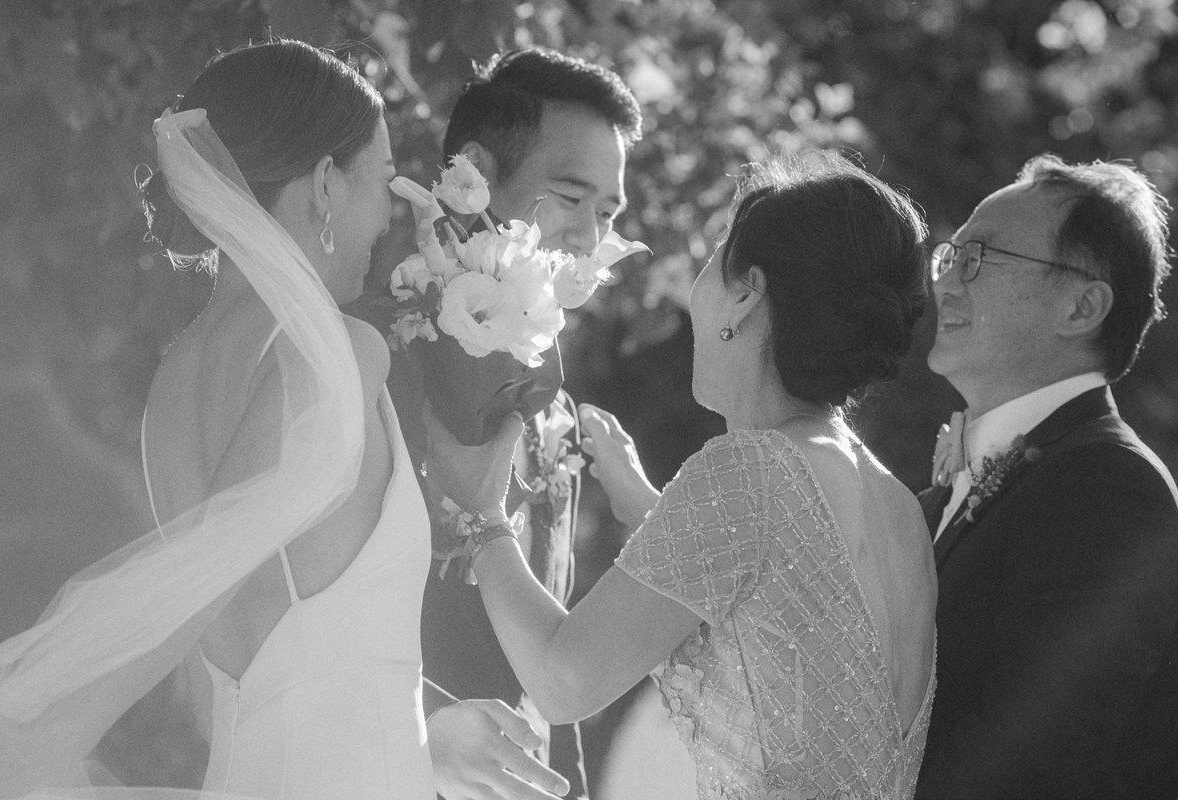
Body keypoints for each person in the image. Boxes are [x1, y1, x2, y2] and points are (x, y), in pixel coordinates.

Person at [0, 39, 548, 800]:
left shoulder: (174, 385)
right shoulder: (339, 355)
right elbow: (211, 592)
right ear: (322, 184)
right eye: (379, 182)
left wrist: (424, 735)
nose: (388, 214)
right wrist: (38, 735)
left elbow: (257, 623)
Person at [425, 153, 939, 799]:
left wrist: (483, 514)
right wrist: (647, 503)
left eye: (714, 254)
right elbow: (783, 621)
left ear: (746, 293)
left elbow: (562, 680)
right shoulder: (895, 503)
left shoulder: (753, 472)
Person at [366, 47, 643, 800]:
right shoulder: (371, 359)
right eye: (569, 196)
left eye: (609, 213)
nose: (589, 239)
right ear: (477, 172)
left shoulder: (549, 394)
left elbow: (547, 651)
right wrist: (419, 730)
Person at [914, 155, 1178, 798]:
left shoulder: (1109, 487)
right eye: (949, 258)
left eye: (978, 258)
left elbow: (1038, 758)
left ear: (1082, 305)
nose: (946, 285)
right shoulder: (943, 493)